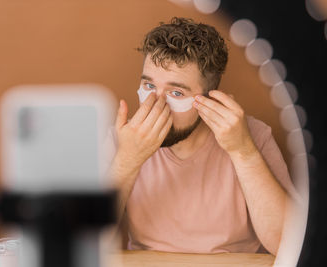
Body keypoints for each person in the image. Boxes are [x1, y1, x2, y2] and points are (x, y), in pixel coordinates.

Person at [105, 17, 298, 256]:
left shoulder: (252, 136)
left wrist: (243, 152)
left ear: (208, 98)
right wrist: (126, 161)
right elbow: (87, 243)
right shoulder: (123, 138)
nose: (156, 104)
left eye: (176, 92)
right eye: (149, 86)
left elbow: (290, 244)